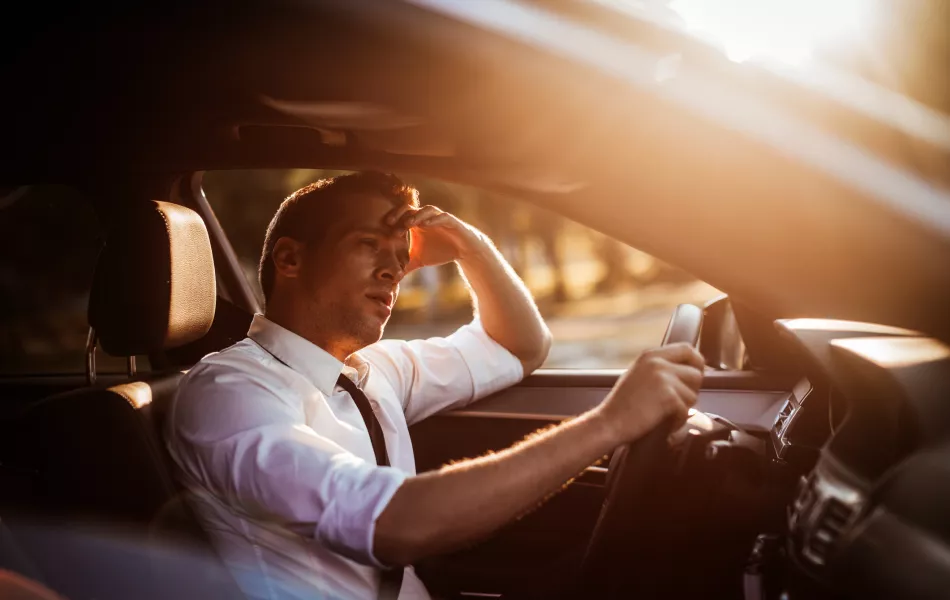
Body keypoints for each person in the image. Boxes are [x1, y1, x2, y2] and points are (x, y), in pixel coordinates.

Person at [165, 172, 704, 600]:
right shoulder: (229, 393)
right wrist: (611, 424)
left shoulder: (375, 370)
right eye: (369, 245)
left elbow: (520, 346)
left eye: (402, 259)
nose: (393, 272)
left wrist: (473, 248)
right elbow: (395, 524)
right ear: (290, 258)